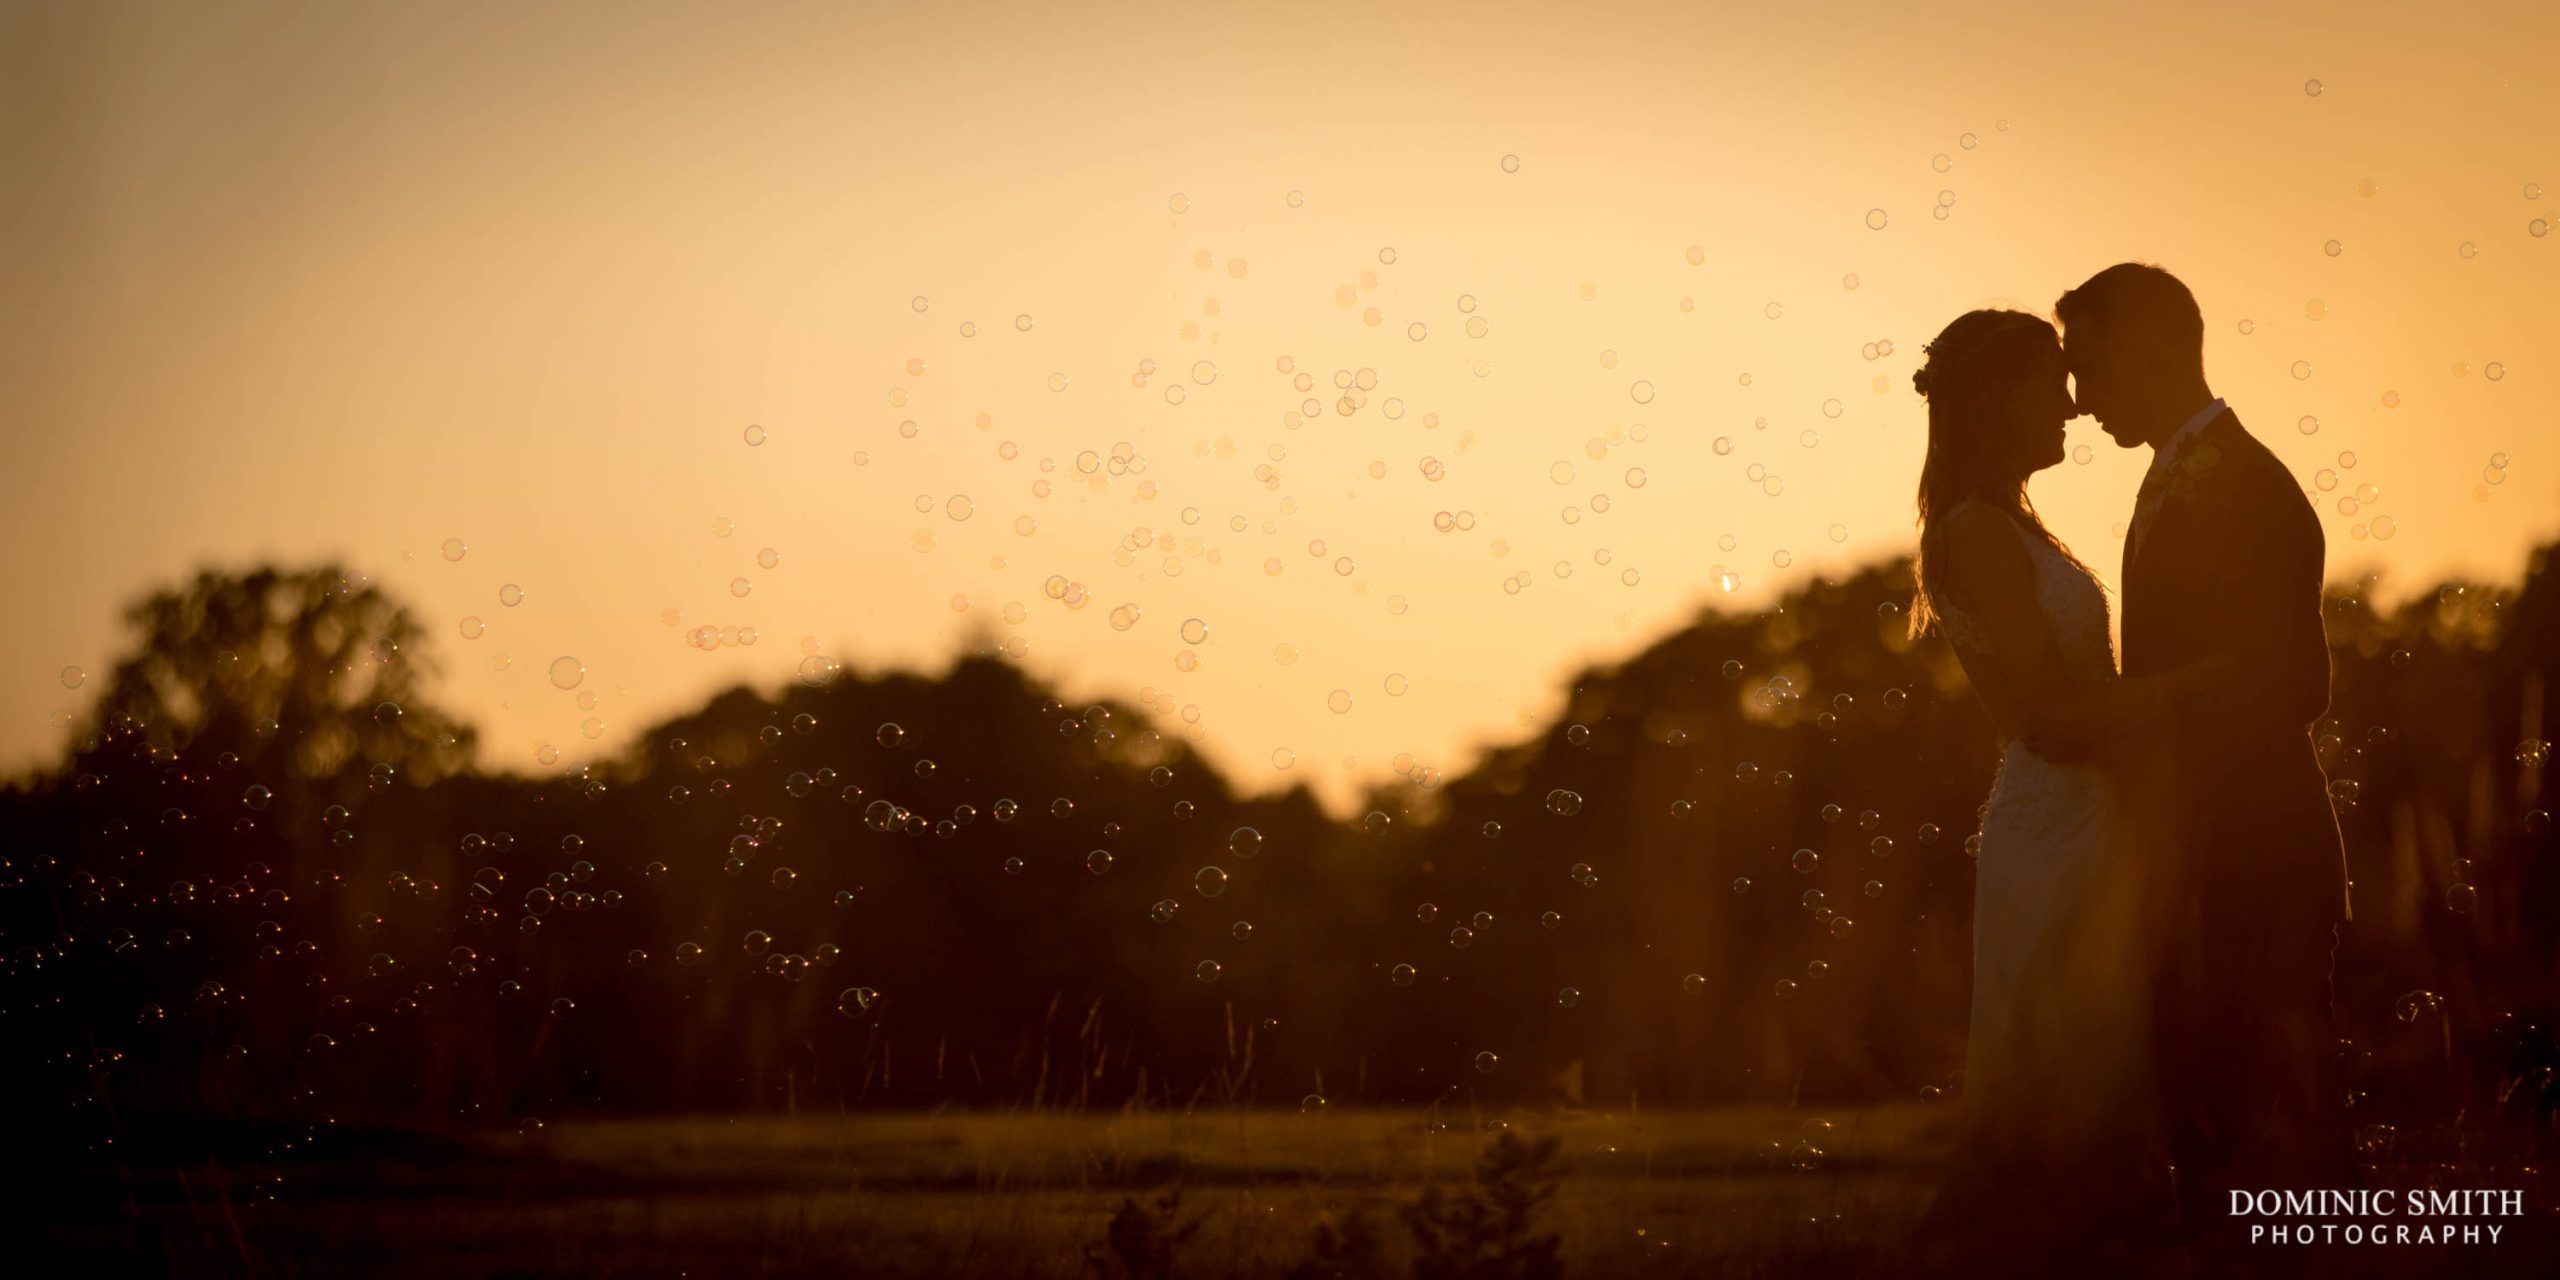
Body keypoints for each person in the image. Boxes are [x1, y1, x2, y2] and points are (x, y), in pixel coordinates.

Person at [2029, 262, 2358, 1259]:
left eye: (2087, 367)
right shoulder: (2176, 474)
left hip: (2254, 850)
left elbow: (2294, 680)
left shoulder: (2247, 483)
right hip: (2195, 851)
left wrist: (2138, 720)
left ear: (2149, 346)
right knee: (2206, 1119)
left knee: (2276, 1126)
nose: (2077, 404)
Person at [1898, 307, 2186, 1275]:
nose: (2070, 408)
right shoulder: (1974, 533)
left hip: (2084, 809)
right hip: (2058, 816)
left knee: (2097, 1050)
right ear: (1994, 400)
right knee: (2063, 1052)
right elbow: (2049, 718)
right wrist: (2205, 687)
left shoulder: (2010, 523)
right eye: (2048, 387)